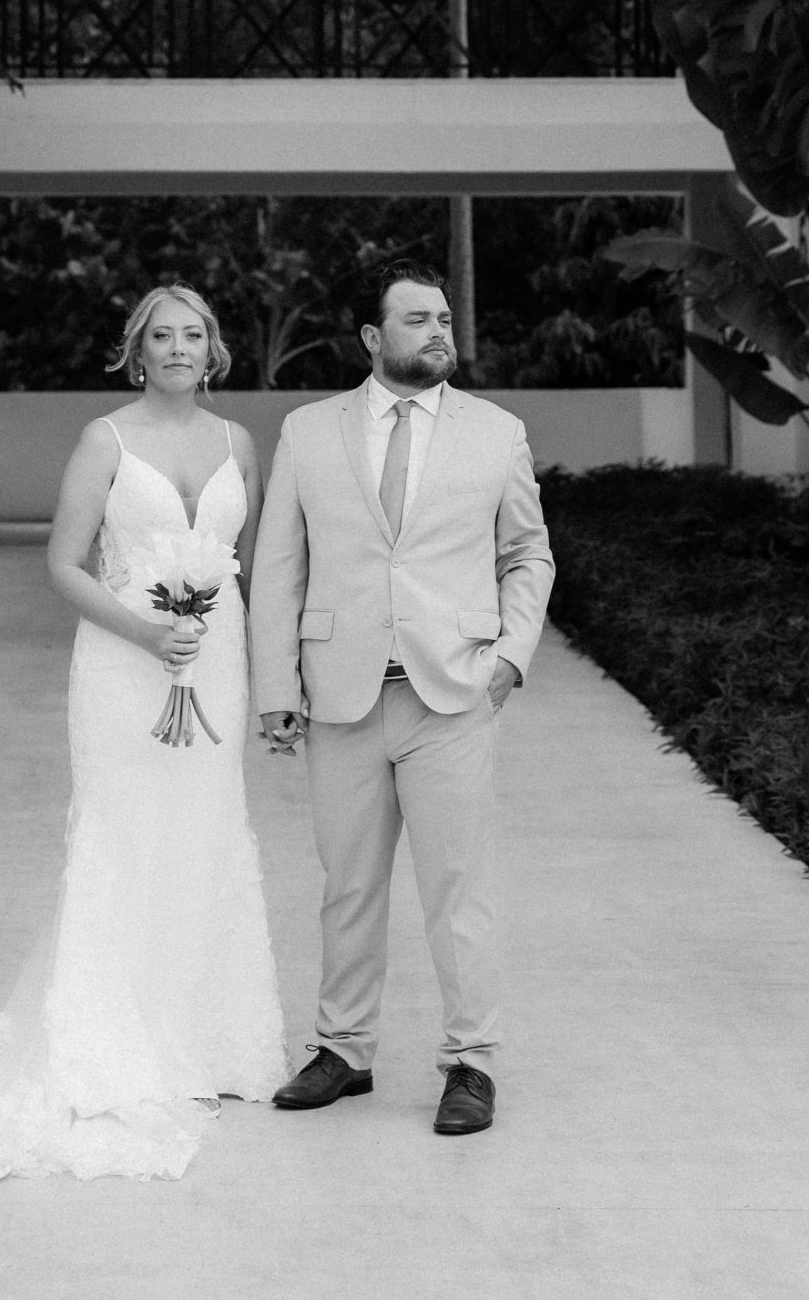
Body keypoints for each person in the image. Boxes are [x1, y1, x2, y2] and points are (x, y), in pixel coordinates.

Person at [0, 284, 287, 1190]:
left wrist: (251, 669)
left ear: (215, 349)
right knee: (124, 838)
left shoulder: (239, 445)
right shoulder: (107, 439)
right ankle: (112, 1047)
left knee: (205, 834)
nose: (178, 347)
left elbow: (254, 568)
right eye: (161, 335)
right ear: (137, 350)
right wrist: (144, 633)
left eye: (194, 334)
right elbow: (63, 562)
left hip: (212, 666)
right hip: (121, 665)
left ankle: (206, 1041)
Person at [250, 257, 555, 1137]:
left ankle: (471, 1064)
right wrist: (277, 682)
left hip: (452, 691)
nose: (438, 333)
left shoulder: (497, 432)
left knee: (459, 888)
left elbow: (528, 555)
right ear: (372, 338)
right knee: (347, 885)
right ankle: (343, 1051)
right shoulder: (309, 432)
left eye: (445, 320)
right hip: (339, 692)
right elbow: (279, 564)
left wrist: (511, 656)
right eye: (417, 320)